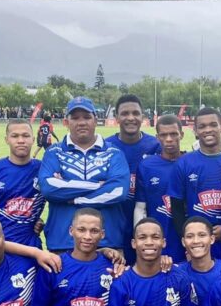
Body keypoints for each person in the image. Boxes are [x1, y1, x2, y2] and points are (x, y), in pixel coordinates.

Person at [38, 96, 130, 252]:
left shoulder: (113, 153)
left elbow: (118, 191)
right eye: (75, 118)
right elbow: (48, 188)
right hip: (63, 243)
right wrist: (98, 185)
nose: (81, 122)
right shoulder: (54, 152)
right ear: (66, 122)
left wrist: (74, 198)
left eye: (87, 117)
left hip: (108, 244)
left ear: (96, 120)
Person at [170, 107, 221, 261]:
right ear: (195, 131)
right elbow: (176, 208)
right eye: (202, 126)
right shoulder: (184, 163)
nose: (208, 130)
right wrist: (189, 240)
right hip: (198, 245)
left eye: (213, 125)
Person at [104, 94, 161, 263]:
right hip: (113, 228)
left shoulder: (155, 146)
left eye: (135, 113)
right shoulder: (105, 147)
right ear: (116, 117)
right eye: (125, 113)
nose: (130, 118)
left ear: (142, 117)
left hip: (148, 227)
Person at [0, 119, 46, 249]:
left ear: (33, 139)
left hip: (31, 245)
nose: (21, 140)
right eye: (15, 136)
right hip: (0, 245)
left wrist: (40, 221)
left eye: (26, 135)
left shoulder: (43, 170)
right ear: (6, 140)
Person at [134, 114, 185, 262]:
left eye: (173, 134)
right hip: (157, 240)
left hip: (187, 241)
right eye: (163, 135)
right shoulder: (147, 166)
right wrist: (139, 238)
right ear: (157, 137)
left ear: (181, 135)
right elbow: (140, 208)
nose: (169, 139)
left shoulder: (190, 162)